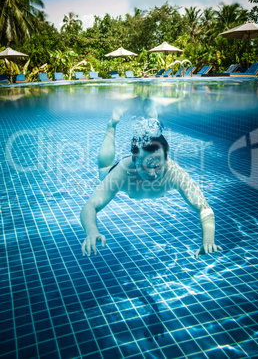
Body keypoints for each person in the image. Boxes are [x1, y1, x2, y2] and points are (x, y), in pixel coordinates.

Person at [81, 107, 222, 259]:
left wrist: (208, 240)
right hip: (121, 172)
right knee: (103, 170)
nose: (153, 174)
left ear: (166, 158)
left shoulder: (173, 172)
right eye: (146, 166)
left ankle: (152, 117)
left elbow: (204, 208)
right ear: (135, 161)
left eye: (158, 166)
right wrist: (92, 231)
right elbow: (90, 206)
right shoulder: (124, 171)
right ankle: (112, 125)